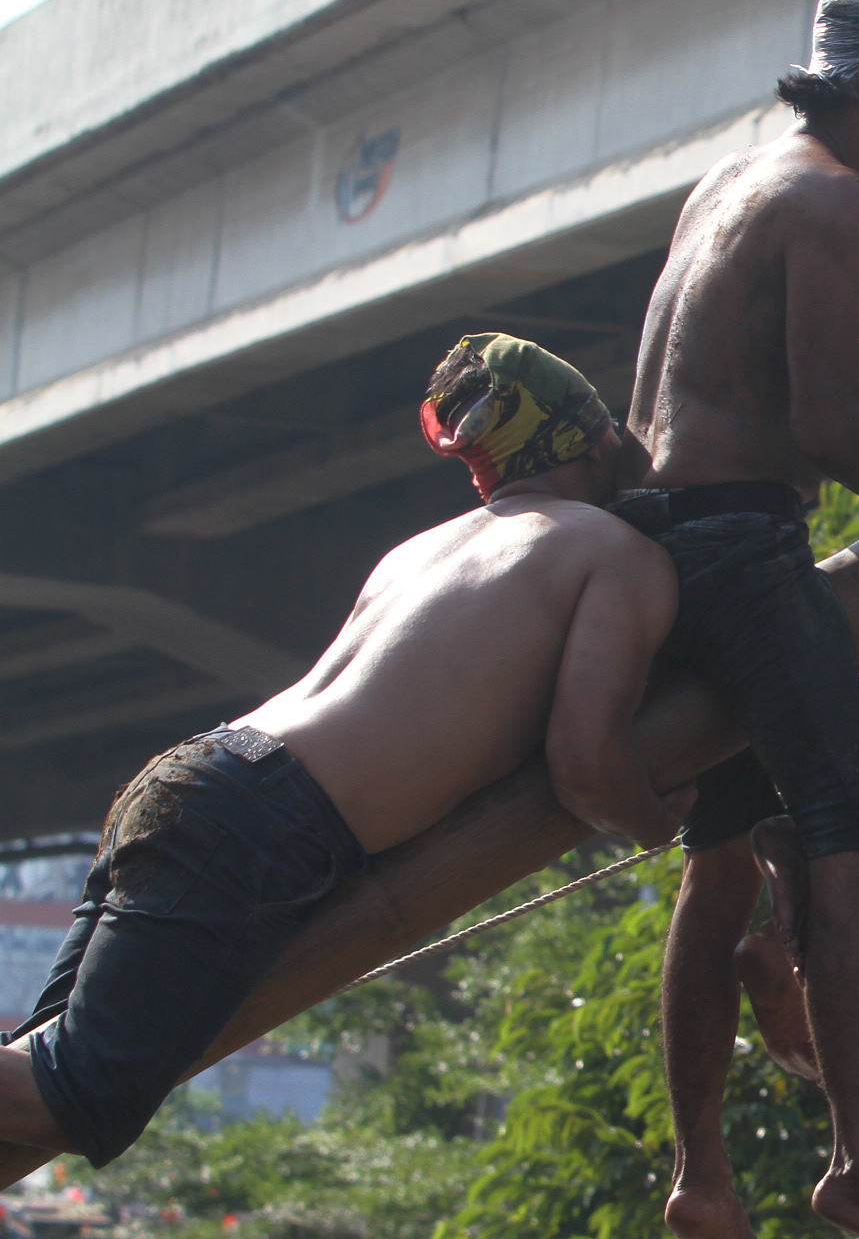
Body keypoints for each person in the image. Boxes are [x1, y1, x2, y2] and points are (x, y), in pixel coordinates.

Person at [0, 335, 681, 1172]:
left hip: (203, 776)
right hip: (256, 823)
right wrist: (657, 818)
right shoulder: (617, 555)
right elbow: (586, 763)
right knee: (70, 1095)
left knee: (35, 1073)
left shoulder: (422, 549)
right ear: (596, 439)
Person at [624, 0, 859, 1239]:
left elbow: (766, 381)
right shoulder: (838, 200)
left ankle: (702, 1178)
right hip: (742, 549)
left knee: (717, 860)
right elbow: (826, 429)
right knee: (854, 831)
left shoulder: (738, 180)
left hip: (666, 540)